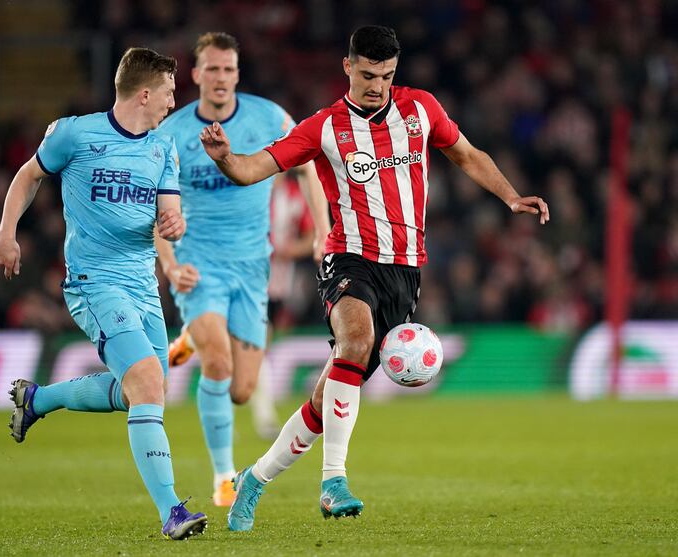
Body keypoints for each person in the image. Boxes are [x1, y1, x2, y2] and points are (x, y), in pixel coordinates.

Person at [198, 25, 550, 531]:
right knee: (357, 338)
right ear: (348, 67)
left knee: (325, 401)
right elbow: (257, 168)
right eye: (367, 74)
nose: (376, 85)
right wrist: (226, 158)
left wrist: (510, 196)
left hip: (404, 271)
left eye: (385, 76)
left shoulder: (421, 109)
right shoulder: (322, 127)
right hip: (349, 258)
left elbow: (467, 155)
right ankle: (333, 483)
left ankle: (254, 480)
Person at [0, 47, 207, 540]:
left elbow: (169, 215)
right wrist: (7, 233)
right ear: (146, 92)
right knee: (149, 384)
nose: (173, 103)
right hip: (95, 282)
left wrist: (174, 224)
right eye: (170, 93)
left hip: (143, 285)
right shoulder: (75, 133)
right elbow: (29, 176)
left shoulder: (163, 148)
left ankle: (38, 400)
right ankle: (171, 511)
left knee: (145, 392)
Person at [155, 32, 330, 506]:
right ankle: (224, 477)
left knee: (242, 389)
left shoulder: (268, 117)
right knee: (218, 362)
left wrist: (321, 230)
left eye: (228, 69)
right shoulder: (170, 133)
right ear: (195, 74)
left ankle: (189, 340)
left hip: (254, 267)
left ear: (237, 73)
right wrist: (170, 266)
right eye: (211, 68)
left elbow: (308, 165)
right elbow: (158, 209)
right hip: (198, 265)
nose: (220, 77)